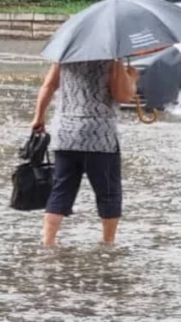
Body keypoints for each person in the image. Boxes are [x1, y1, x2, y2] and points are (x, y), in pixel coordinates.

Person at [32, 60, 139, 246]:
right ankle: (108, 243)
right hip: (100, 136)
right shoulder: (112, 61)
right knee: (108, 192)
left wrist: (38, 117)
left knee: (61, 190)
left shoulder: (65, 57)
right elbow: (123, 96)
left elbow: (48, 86)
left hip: (66, 133)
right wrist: (132, 77)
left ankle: (48, 242)